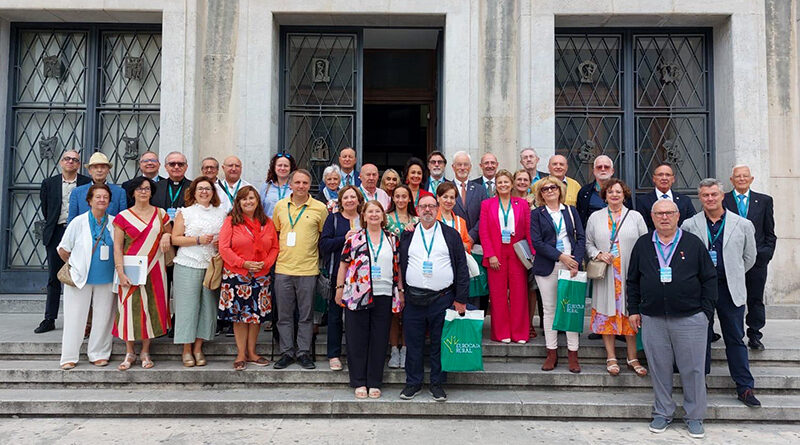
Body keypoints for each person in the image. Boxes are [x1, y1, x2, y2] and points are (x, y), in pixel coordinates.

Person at [627, 199, 718, 439]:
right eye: (659, 213)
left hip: (691, 319)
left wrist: (705, 313)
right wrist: (634, 310)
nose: (664, 217)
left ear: (678, 216)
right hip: (653, 318)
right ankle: (662, 412)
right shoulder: (643, 244)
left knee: (694, 370)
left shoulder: (692, 243)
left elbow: (709, 279)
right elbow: (633, 280)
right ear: (652, 217)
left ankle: (695, 416)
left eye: (669, 213)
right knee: (659, 369)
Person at [681, 178, 760, 407]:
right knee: (699, 338)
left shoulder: (742, 224)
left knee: (735, 337)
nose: (710, 199)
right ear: (700, 198)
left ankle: (744, 387)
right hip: (700, 290)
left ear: (722, 195)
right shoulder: (689, 225)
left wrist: (733, 273)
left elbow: (749, 257)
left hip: (729, 288)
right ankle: (699, 385)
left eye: (714, 194)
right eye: (705, 195)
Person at [399, 194, 470, 402]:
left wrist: (461, 298)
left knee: (440, 343)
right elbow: (401, 264)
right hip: (414, 299)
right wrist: (402, 293)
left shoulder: (451, 234)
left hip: (443, 298)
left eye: (431, 206)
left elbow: (461, 267)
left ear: (438, 208)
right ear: (417, 210)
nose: (427, 210)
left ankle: (437, 384)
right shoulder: (408, 234)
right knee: (413, 343)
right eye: (423, 207)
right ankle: (413, 383)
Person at [335, 200, 404, 399]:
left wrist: (400, 291)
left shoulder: (392, 239)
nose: (374, 215)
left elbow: (397, 267)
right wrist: (339, 288)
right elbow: (343, 265)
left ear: (383, 216)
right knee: (357, 338)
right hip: (357, 294)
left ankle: (374, 381)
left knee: (379, 339)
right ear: (363, 216)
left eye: (378, 211)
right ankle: (358, 381)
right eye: (370, 212)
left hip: (383, 294)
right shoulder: (354, 238)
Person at [585, 178, 648, 376]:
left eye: (618, 192)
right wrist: (599, 254)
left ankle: (632, 357)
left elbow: (645, 243)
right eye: (611, 192)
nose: (614, 195)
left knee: (630, 314)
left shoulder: (635, 216)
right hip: (607, 274)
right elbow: (588, 244)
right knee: (607, 315)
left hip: (629, 273)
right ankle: (611, 357)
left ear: (624, 194)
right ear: (605, 196)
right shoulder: (595, 217)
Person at [112, 176, 172, 370]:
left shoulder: (161, 213)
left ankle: (146, 350)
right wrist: (120, 272)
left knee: (151, 308)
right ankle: (129, 352)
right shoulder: (123, 217)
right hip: (131, 269)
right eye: (139, 189)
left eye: (147, 188)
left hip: (155, 268)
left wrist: (166, 234)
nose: (143, 192)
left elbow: (170, 232)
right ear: (133, 192)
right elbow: (117, 247)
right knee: (128, 308)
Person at [218, 185, 279, 371]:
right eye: (244, 199)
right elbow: (224, 248)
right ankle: (241, 353)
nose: (248, 202)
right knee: (239, 316)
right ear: (238, 202)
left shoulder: (267, 222)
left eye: (252, 198)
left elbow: (275, 247)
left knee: (255, 316)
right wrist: (243, 263)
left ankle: (252, 352)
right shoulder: (231, 221)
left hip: (261, 275)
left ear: (258, 201)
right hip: (237, 274)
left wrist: (266, 264)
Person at [271, 169, 328, 369]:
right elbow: (276, 232)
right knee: (284, 315)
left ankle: (303, 352)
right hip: (283, 268)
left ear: (309, 185)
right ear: (291, 185)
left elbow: (323, 236)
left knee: (306, 315)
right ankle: (287, 352)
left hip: (308, 269)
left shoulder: (319, 208)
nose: (301, 186)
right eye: (297, 182)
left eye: (305, 183)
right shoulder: (279, 207)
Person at [57, 183, 116, 370]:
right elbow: (63, 249)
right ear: (90, 200)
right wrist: (76, 264)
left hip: (106, 277)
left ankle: (98, 353)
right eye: (98, 197)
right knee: (75, 316)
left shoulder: (115, 222)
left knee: (104, 316)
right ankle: (69, 356)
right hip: (80, 278)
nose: (101, 200)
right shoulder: (78, 222)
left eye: (105, 197)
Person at [170, 178, 227, 367]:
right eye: (200, 188)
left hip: (211, 266)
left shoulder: (221, 213)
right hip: (188, 263)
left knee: (208, 307)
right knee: (187, 307)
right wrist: (198, 239)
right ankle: (186, 349)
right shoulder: (185, 213)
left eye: (208, 189)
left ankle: (198, 347)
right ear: (193, 192)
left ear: (213, 192)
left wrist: (220, 244)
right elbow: (175, 239)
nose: (204, 192)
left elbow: (226, 237)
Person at [531, 176, 585, 372]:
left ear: (559, 190)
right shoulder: (537, 214)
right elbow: (537, 242)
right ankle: (551, 353)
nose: (549, 191)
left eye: (553, 187)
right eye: (545, 189)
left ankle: (573, 354)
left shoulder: (571, 211)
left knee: (570, 309)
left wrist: (575, 262)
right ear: (540, 194)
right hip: (548, 266)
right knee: (550, 310)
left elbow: (581, 238)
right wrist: (562, 256)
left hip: (570, 266)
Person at [36, 150, 90, 334]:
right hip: (57, 232)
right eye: (67, 159)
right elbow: (46, 208)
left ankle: (82, 320)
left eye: (75, 160)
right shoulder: (49, 183)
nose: (71, 162)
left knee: (81, 275)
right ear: (61, 162)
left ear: (79, 164)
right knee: (54, 276)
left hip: (81, 233)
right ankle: (49, 318)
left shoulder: (85, 183)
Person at [723, 164, 776, 351]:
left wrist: (765, 255)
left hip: (757, 261)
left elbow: (770, 232)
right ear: (732, 180)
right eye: (738, 176)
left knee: (755, 298)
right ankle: (736, 334)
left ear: (751, 179)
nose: (742, 179)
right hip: (731, 260)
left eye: (745, 176)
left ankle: (754, 334)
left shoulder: (764, 201)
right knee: (732, 299)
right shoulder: (724, 200)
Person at [479, 169, 534, 344]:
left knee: (519, 293)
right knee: (498, 295)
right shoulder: (487, 204)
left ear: (511, 185)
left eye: (506, 182)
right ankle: (501, 332)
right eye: (499, 182)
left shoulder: (522, 204)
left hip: (517, 252)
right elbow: (484, 231)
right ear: (495, 185)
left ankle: (520, 333)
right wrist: (490, 254)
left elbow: (528, 230)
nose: (503, 185)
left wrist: (532, 254)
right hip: (496, 252)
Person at [319, 186, 364, 371]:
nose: (350, 200)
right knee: (335, 316)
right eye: (346, 197)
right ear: (340, 200)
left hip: (362, 277)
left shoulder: (365, 218)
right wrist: (343, 239)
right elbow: (323, 244)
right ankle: (334, 354)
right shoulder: (334, 219)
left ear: (359, 200)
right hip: (337, 273)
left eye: (353, 197)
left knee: (358, 317)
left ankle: (357, 353)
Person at [67, 152, 127, 223]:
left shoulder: (119, 192)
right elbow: (72, 221)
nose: (99, 170)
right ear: (89, 171)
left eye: (103, 167)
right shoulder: (77, 192)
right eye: (95, 167)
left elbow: (122, 222)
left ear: (108, 170)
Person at [636, 162, 696, 230]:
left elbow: (691, 225)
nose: (664, 178)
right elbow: (643, 227)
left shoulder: (685, 201)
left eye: (668, 175)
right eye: (660, 175)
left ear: (673, 179)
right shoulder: (642, 201)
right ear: (654, 178)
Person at [576, 155, 631, 227]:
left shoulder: (622, 190)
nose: (603, 169)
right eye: (599, 167)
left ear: (612, 171)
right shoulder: (584, 192)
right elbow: (580, 218)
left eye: (606, 167)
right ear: (594, 171)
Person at [451, 151, 486, 244]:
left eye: (465, 164)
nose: (462, 168)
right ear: (453, 167)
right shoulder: (446, 188)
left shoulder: (480, 190)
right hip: (452, 240)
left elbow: (484, 216)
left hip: (476, 242)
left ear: (470, 167)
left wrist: (472, 236)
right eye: (459, 164)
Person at [152, 151, 192, 220]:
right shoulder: (155, 187)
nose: (176, 167)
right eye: (172, 164)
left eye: (180, 164)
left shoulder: (194, 187)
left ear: (186, 167)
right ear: (166, 167)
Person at [436, 182, 472, 253]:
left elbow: (468, 244)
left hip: (456, 260)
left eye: (452, 197)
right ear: (438, 198)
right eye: (445, 197)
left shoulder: (461, 221)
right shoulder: (432, 220)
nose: (449, 201)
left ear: (455, 201)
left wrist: (462, 245)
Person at [260, 152, 295, 218]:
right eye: (279, 165)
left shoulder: (295, 187)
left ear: (291, 168)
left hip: (288, 227)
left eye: (286, 166)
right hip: (270, 226)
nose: (282, 168)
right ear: (274, 167)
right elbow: (260, 209)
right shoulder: (266, 186)